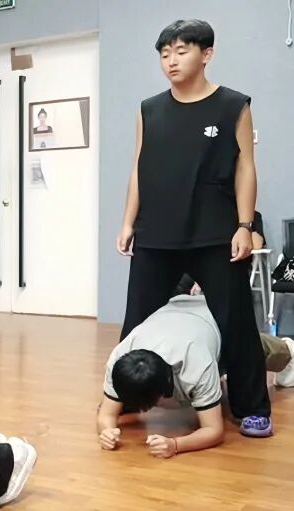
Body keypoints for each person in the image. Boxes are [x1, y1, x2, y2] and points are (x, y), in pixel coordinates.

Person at [115, 19, 270, 438]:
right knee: (136, 321)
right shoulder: (149, 109)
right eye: (165, 54)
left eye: (181, 51)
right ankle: (127, 396)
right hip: (156, 232)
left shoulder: (233, 105)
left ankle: (252, 407)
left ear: (207, 54)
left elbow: (246, 167)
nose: (171, 61)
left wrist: (245, 225)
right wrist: (128, 221)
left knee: (236, 322)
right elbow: (138, 168)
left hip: (215, 232)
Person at [96, 293, 294, 457]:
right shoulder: (120, 359)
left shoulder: (196, 364)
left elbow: (214, 431)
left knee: (249, 350)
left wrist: (175, 445)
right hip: (174, 309)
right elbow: (106, 414)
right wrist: (106, 431)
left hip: (211, 314)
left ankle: (288, 350)